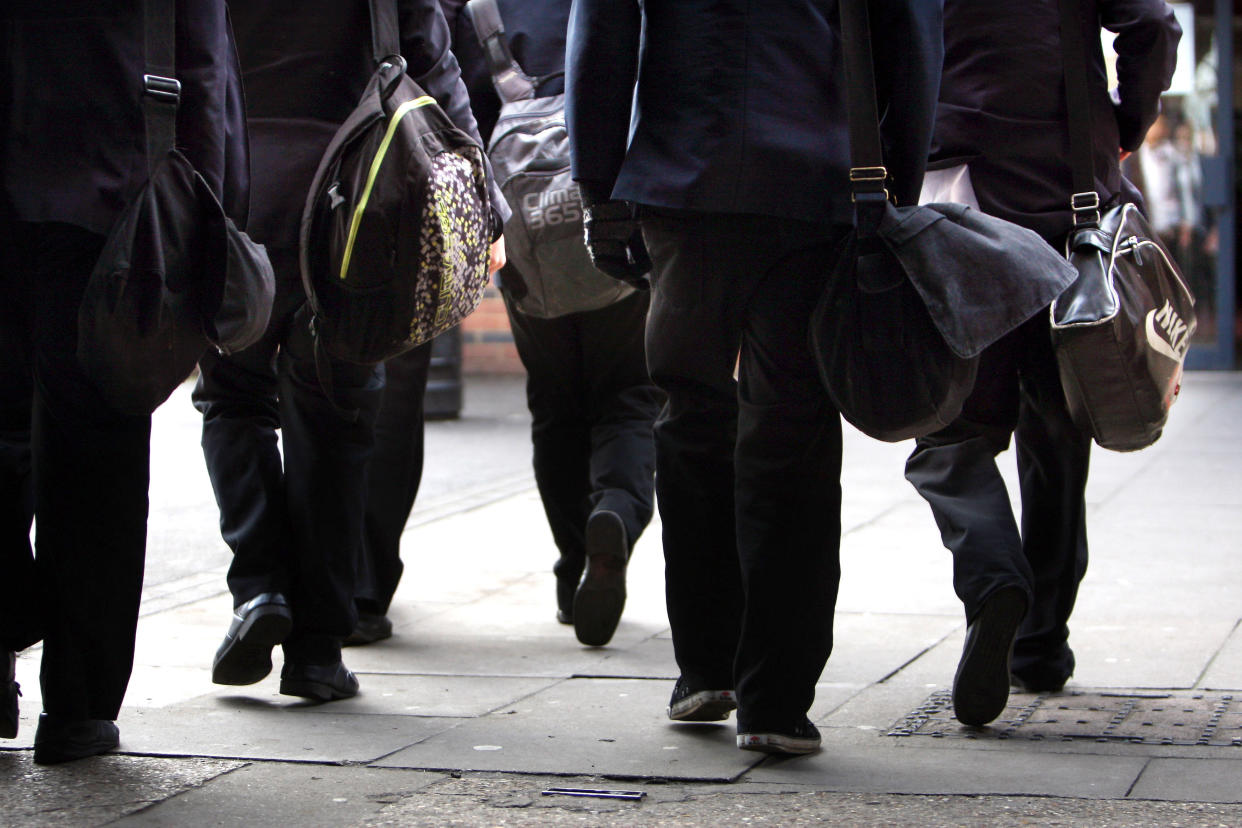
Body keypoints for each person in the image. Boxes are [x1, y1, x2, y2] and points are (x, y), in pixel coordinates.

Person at [566, 0, 942, 753]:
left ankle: (705, 664)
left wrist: (601, 189)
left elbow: (602, 27)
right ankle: (777, 699)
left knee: (692, 414)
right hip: (817, 179)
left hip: (686, 174)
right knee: (794, 429)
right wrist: (898, 177)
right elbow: (912, 31)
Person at [195, 0, 505, 700]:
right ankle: (317, 651)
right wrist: (483, 201)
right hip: (355, 205)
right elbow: (432, 62)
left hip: (234, 193)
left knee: (232, 399)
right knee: (337, 415)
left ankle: (259, 588)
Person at [903, 0, 1180, 727]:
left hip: (956, 198)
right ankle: (1040, 645)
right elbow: (1151, 23)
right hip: (1069, 195)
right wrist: (1121, 125)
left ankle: (994, 575)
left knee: (951, 433)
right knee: (1057, 429)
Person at [1, 0, 247, 762]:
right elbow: (202, 67)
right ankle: (77, 709)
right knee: (98, 458)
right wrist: (215, 216)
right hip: (109, 202)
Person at [440, 0, 662, 647]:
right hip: (616, 228)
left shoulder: (484, 8)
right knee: (630, 398)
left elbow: (462, 122)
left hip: (530, 247)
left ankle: (573, 574)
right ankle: (615, 513)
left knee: (556, 408)